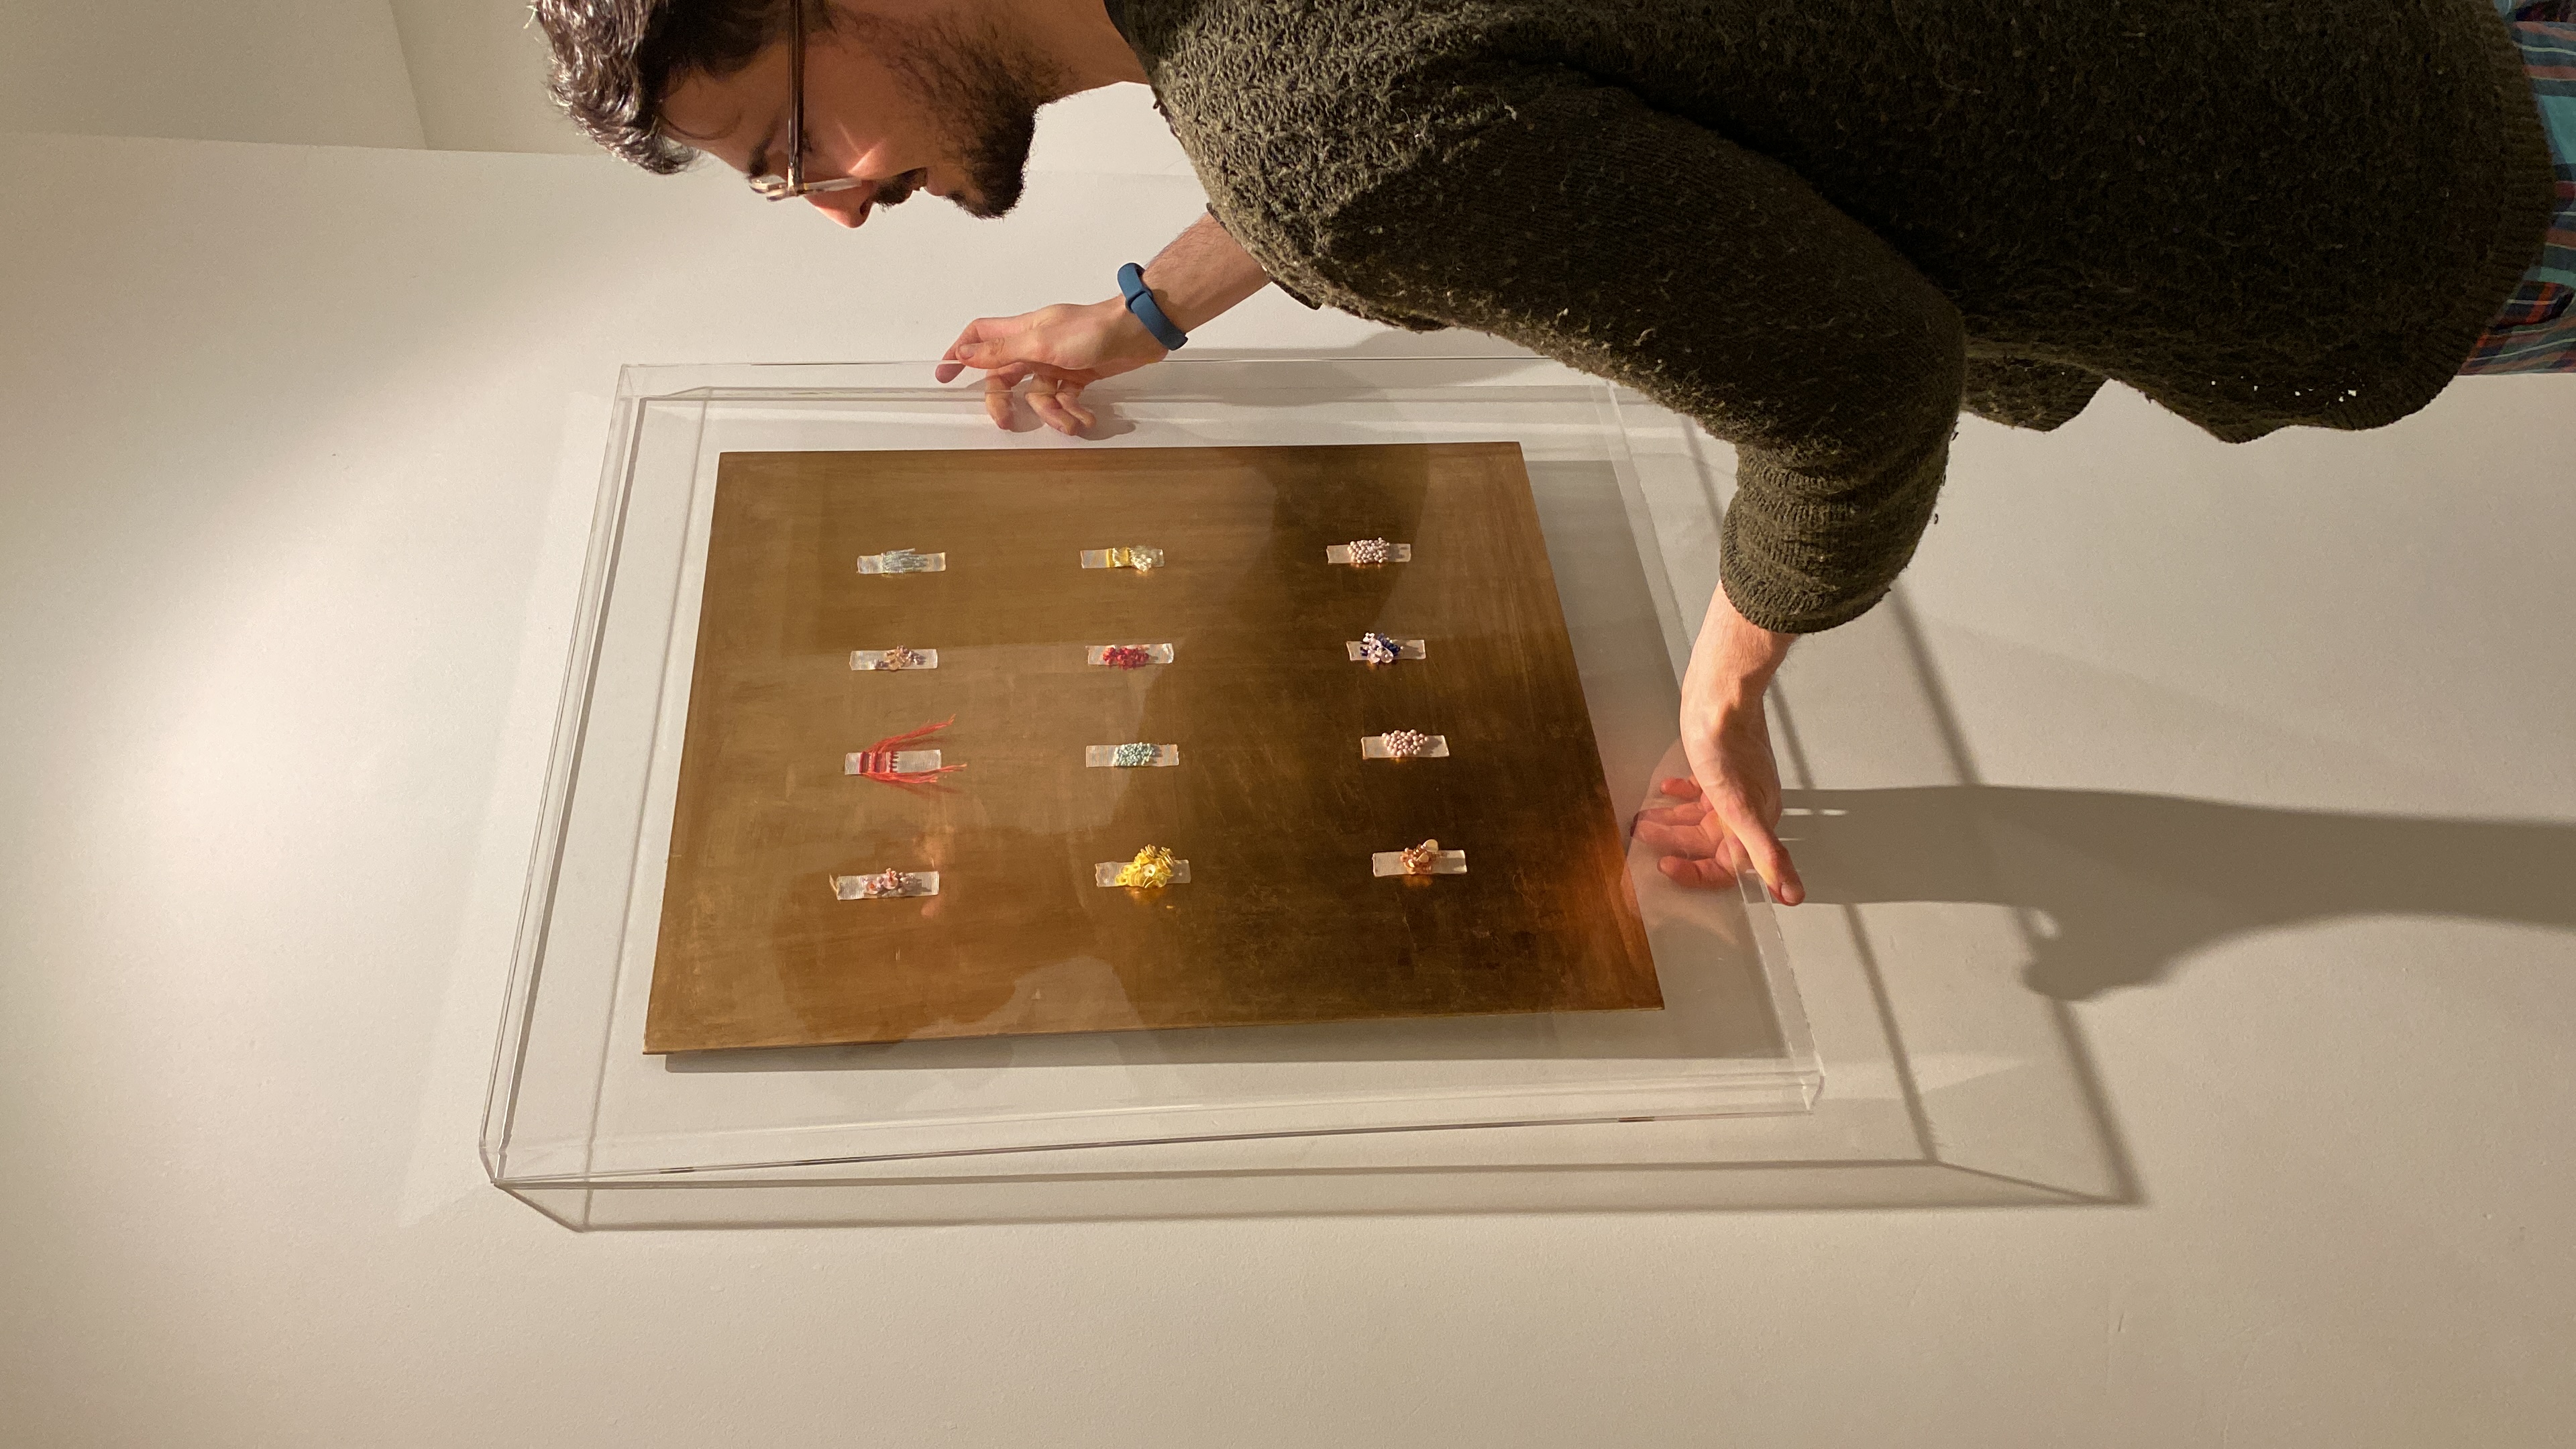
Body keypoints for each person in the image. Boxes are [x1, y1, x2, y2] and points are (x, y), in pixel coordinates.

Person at [534, 0, 2571, 906]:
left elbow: (1853, 385)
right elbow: (1445, 73)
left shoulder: (1320, 135)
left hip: (2408, 194)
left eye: (792, 145)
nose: (838, 203)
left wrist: (1731, 669)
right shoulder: (1296, 96)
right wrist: (1142, 311)